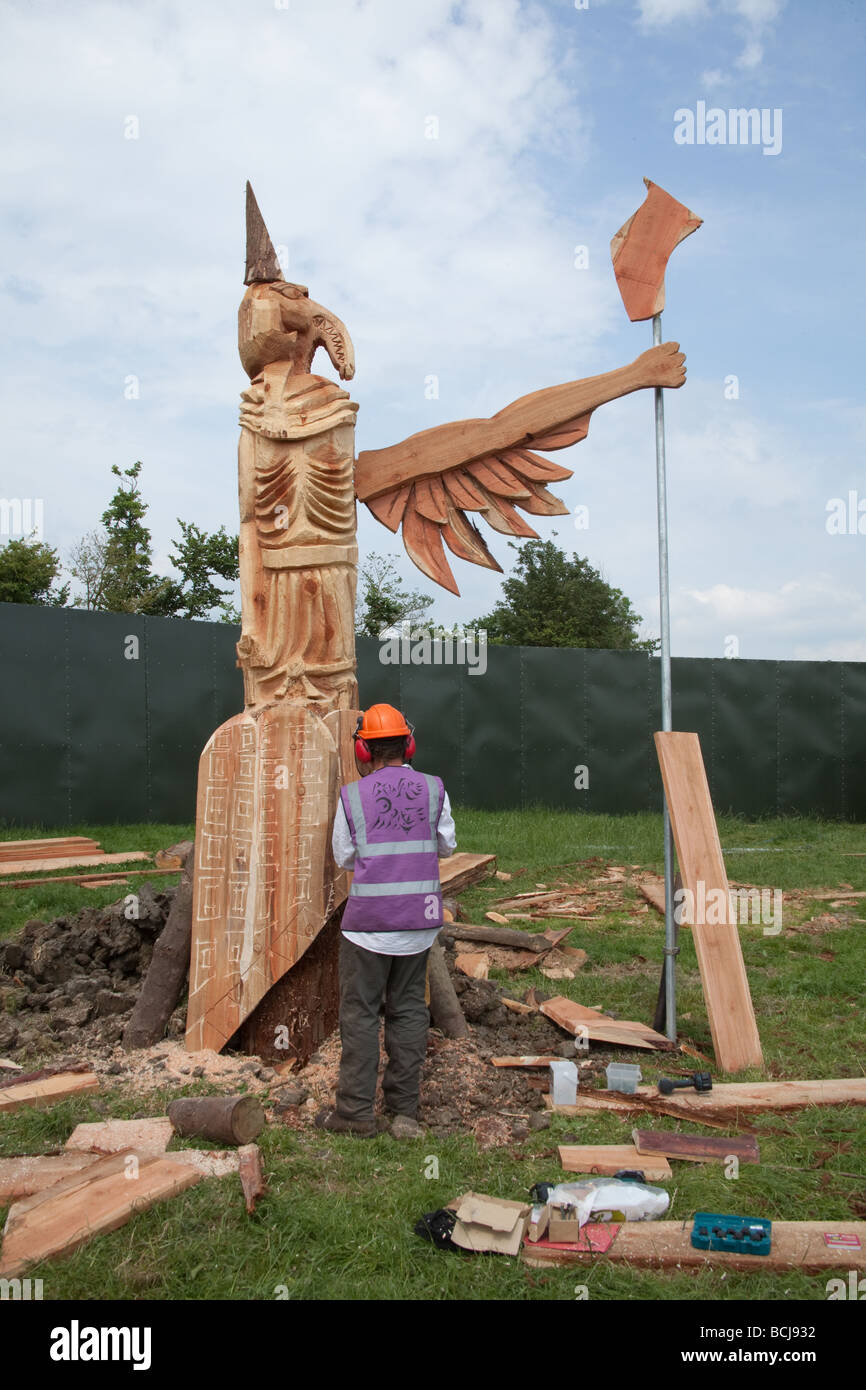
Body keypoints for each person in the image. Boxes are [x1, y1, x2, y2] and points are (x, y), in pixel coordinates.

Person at [315, 703, 456, 1138]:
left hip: (368, 927)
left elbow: (344, 856)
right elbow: (447, 846)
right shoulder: (434, 789)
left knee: (360, 1015)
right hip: (419, 925)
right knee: (410, 1010)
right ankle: (404, 1111)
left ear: (363, 750)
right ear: (408, 744)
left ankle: (355, 1114)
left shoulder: (352, 796)